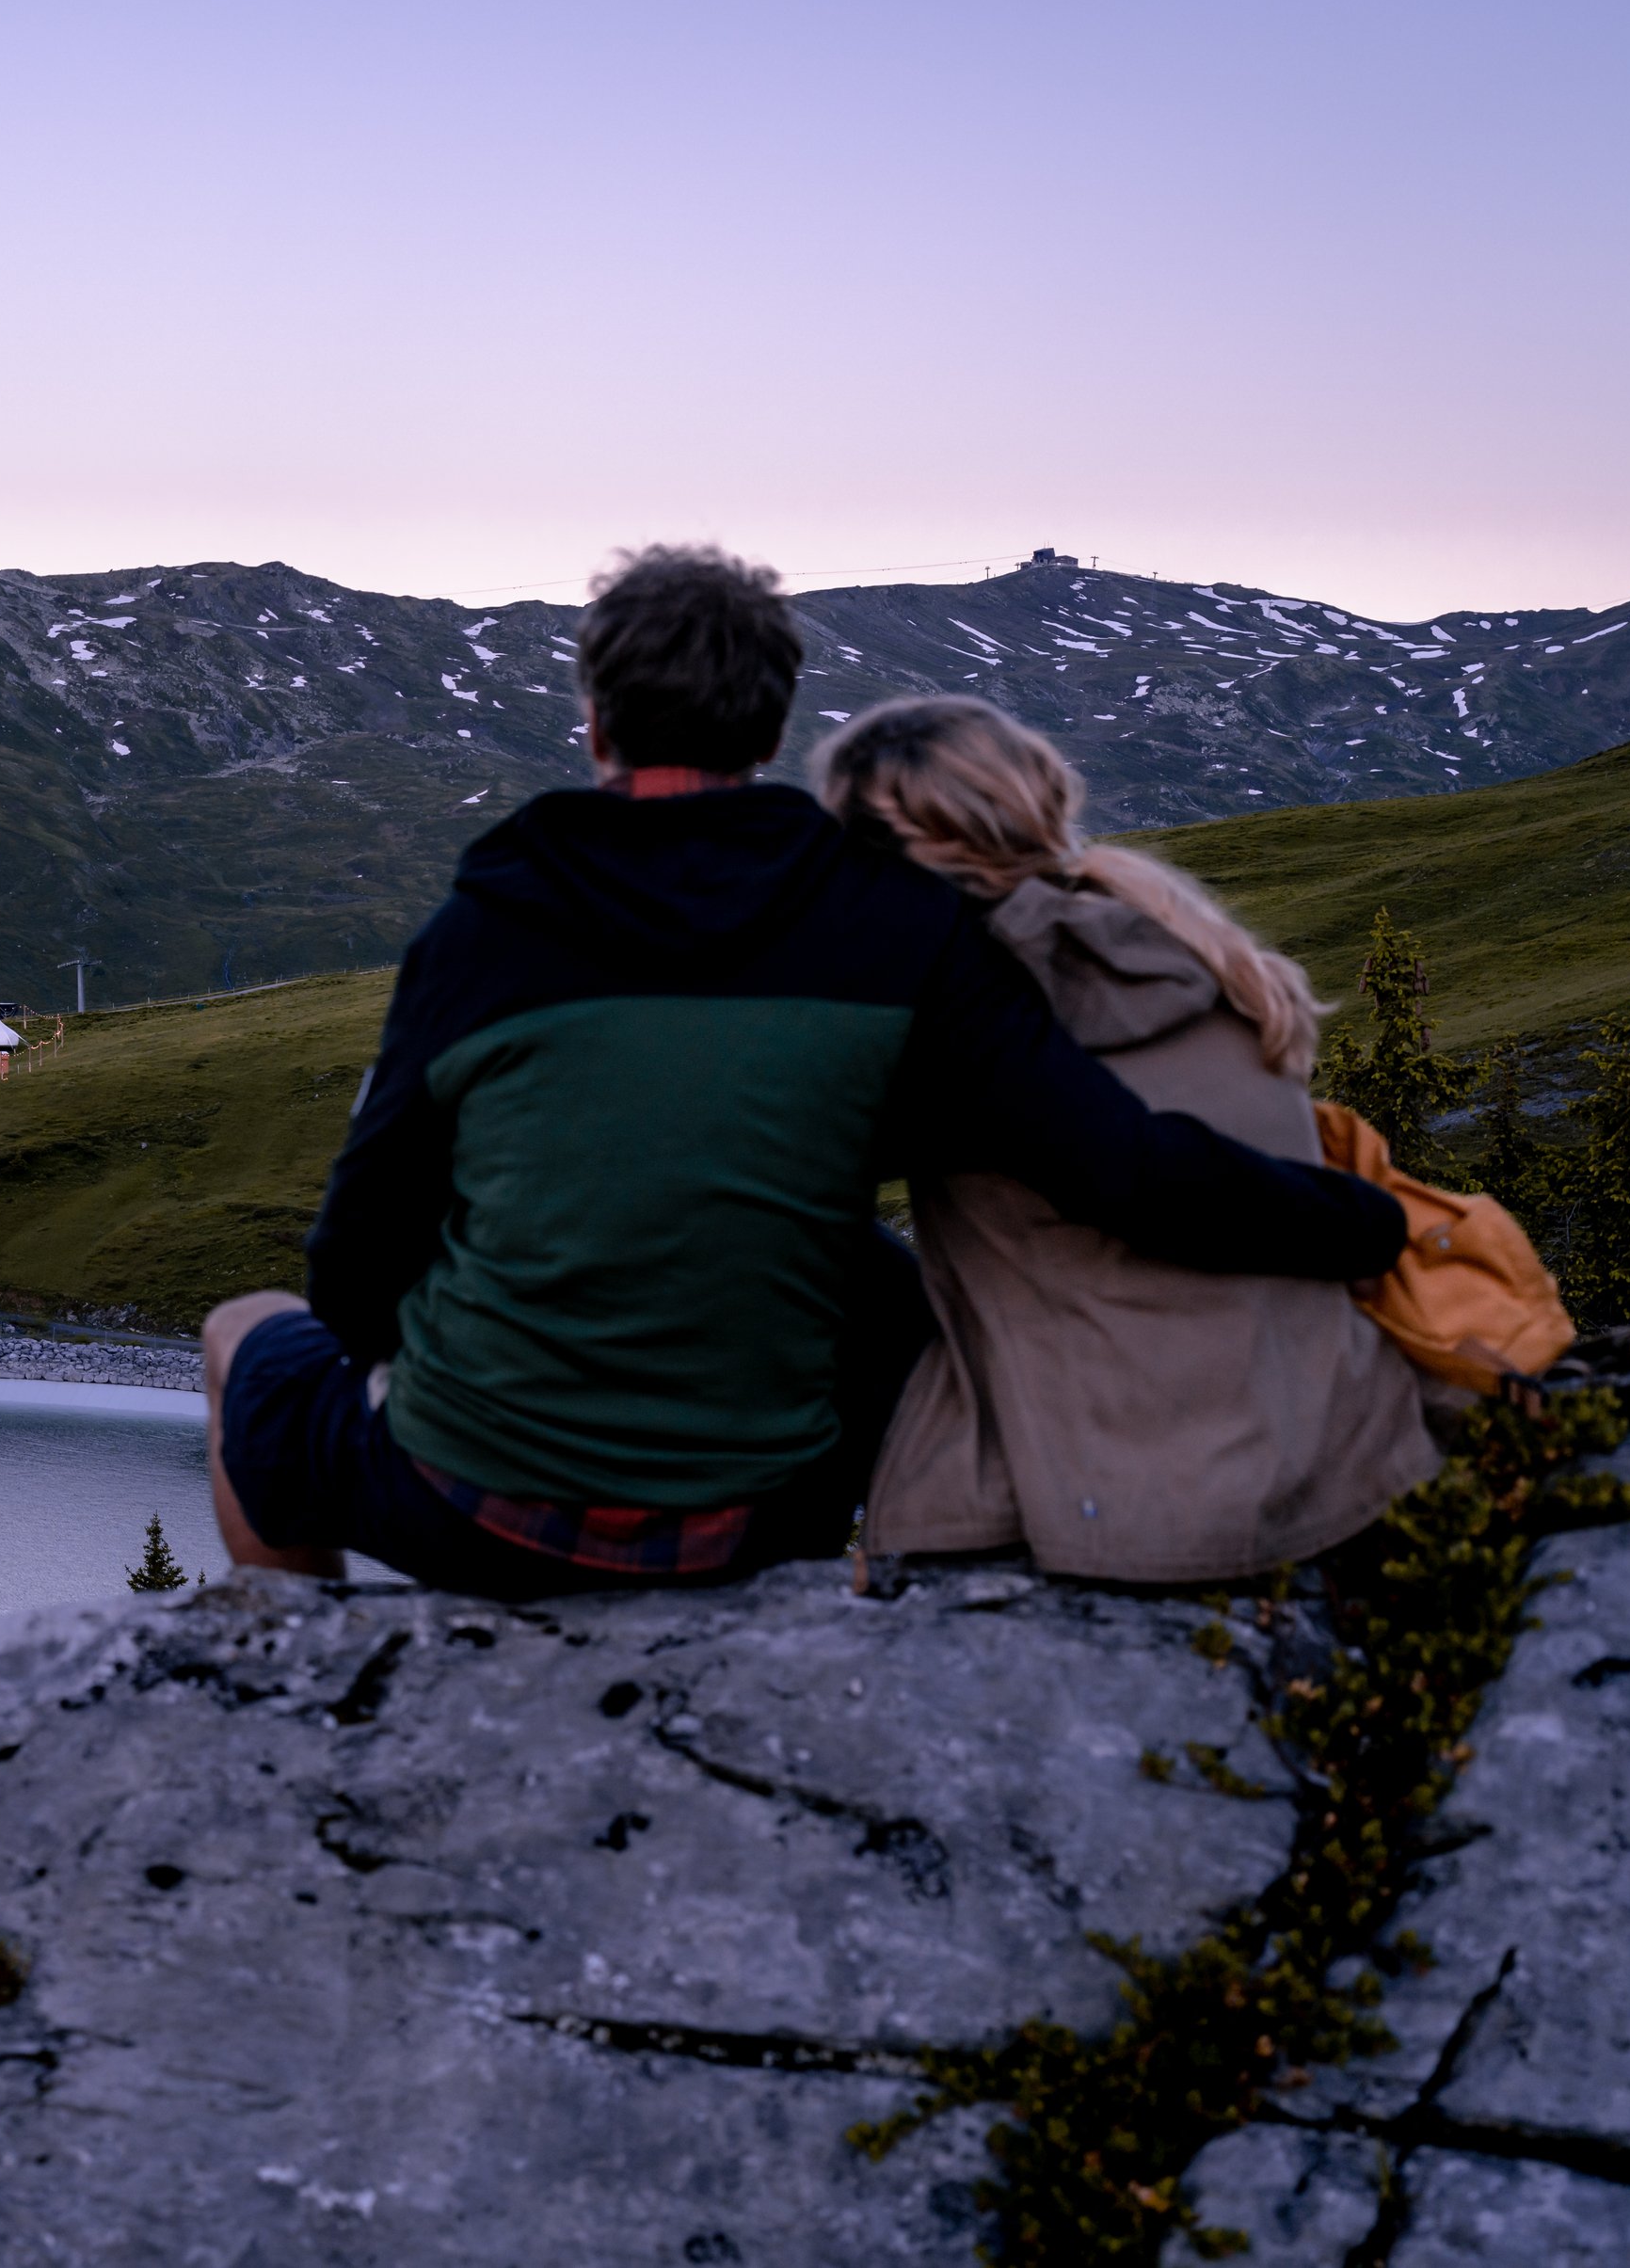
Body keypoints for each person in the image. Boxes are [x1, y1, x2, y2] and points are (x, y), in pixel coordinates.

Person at [203, 548, 1409, 1599]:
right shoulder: (890, 918)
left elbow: (355, 1266)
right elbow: (1122, 1171)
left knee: (244, 1329)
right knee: (860, 1272)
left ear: (596, 723)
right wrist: (1367, 1221)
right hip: (760, 1521)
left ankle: (297, 1697)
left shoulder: (483, 927)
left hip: (473, 1514)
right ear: (773, 728)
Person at [816, 695, 1439, 1580]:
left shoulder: (965, 992)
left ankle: (749, 1563)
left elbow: (1132, 1174)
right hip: (1342, 1445)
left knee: (802, 1238)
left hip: (1131, 1497)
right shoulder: (1177, 938)